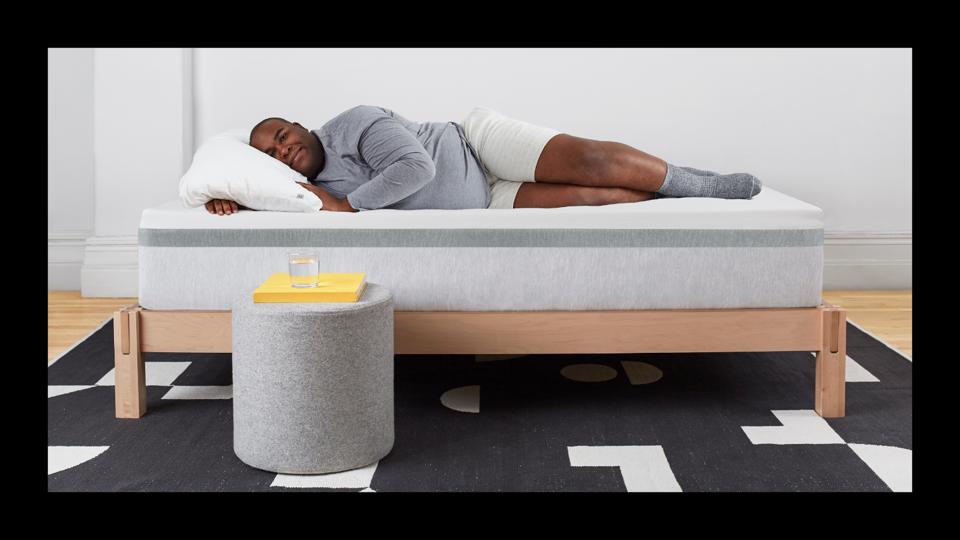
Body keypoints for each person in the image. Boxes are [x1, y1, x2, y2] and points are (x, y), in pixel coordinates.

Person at [205, 105, 762, 215]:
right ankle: (676, 191)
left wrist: (349, 205)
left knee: (591, 161)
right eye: (271, 153)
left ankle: (697, 181)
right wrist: (233, 197)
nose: (282, 148)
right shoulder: (305, 188)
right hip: (484, 199)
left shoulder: (352, 125)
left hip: (475, 146)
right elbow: (268, 192)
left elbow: (416, 170)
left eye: (281, 134)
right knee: (599, 199)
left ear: (300, 123)